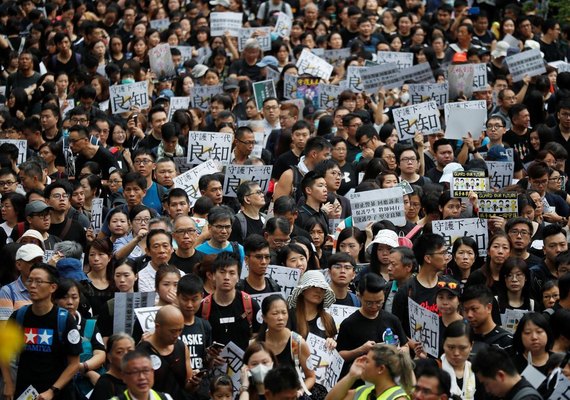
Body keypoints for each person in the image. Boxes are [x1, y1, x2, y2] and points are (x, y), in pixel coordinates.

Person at [2, 263, 82, 399]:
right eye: (30, 280)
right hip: (23, 391)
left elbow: (74, 364)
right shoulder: (18, 316)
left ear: (53, 287)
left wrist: (52, 391)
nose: (32, 286)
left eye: (39, 281)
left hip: (57, 393)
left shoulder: (64, 319)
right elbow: (4, 351)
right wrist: (8, 382)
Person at [336, 273, 408, 376]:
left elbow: (405, 346)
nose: (374, 306)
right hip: (362, 379)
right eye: (369, 303)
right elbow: (340, 355)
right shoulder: (349, 324)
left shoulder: (392, 319)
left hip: (389, 377)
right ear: (359, 296)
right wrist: (361, 350)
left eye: (379, 302)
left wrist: (399, 351)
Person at [54, 278, 106, 399]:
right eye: (64, 297)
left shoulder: (89, 325)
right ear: (55, 299)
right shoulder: (50, 324)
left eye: (74, 297)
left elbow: (100, 354)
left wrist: (84, 367)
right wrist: (87, 373)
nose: (70, 302)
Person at [199, 253, 261, 351]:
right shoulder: (203, 307)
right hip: (213, 364)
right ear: (213, 275)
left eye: (232, 273)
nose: (226, 277)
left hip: (244, 364)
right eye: (222, 272)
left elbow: (259, 336)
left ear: (238, 277)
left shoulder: (250, 304)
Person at [393, 233, 450, 338]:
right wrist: (412, 345)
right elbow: (397, 329)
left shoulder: (449, 286)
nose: (446, 257)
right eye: (443, 253)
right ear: (428, 258)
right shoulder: (405, 291)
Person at [255, 294, 315, 393]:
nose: (280, 318)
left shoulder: (297, 342)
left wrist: (299, 392)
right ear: (264, 317)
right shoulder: (256, 344)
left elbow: (311, 377)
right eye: (275, 313)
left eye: (284, 313)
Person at [136, 305, 193, 400]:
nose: (177, 335)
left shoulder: (182, 347)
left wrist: (194, 383)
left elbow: (187, 386)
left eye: (180, 330)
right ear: (158, 327)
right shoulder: (142, 352)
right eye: (173, 331)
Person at [326, 343, 414, 400]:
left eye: (367, 361)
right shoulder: (363, 391)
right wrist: (351, 375)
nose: (362, 364)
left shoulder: (398, 398)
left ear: (380, 369)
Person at [472, 346, 542, 400]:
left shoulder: (527, 398)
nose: (487, 390)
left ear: (500, 375)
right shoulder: (514, 394)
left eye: (486, 383)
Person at [461, 284, 513, 355]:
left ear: (489, 308)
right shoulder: (461, 338)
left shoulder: (507, 342)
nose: (469, 315)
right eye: (465, 310)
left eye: (474, 309)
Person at [0, 244, 44, 320]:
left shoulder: (48, 288)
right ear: (19, 265)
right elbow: (5, 327)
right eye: (32, 261)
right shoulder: (8, 291)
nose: (37, 265)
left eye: (40, 261)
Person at [441, 321, 476, 400]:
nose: (456, 353)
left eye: (462, 348)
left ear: (471, 346)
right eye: (451, 347)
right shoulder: (434, 369)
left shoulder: (477, 373)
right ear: (443, 344)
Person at [384, 247, 416, 313]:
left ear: (408, 267)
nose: (389, 268)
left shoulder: (417, 289)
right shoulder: (386, 288)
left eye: (393, 264)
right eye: (388, 264)